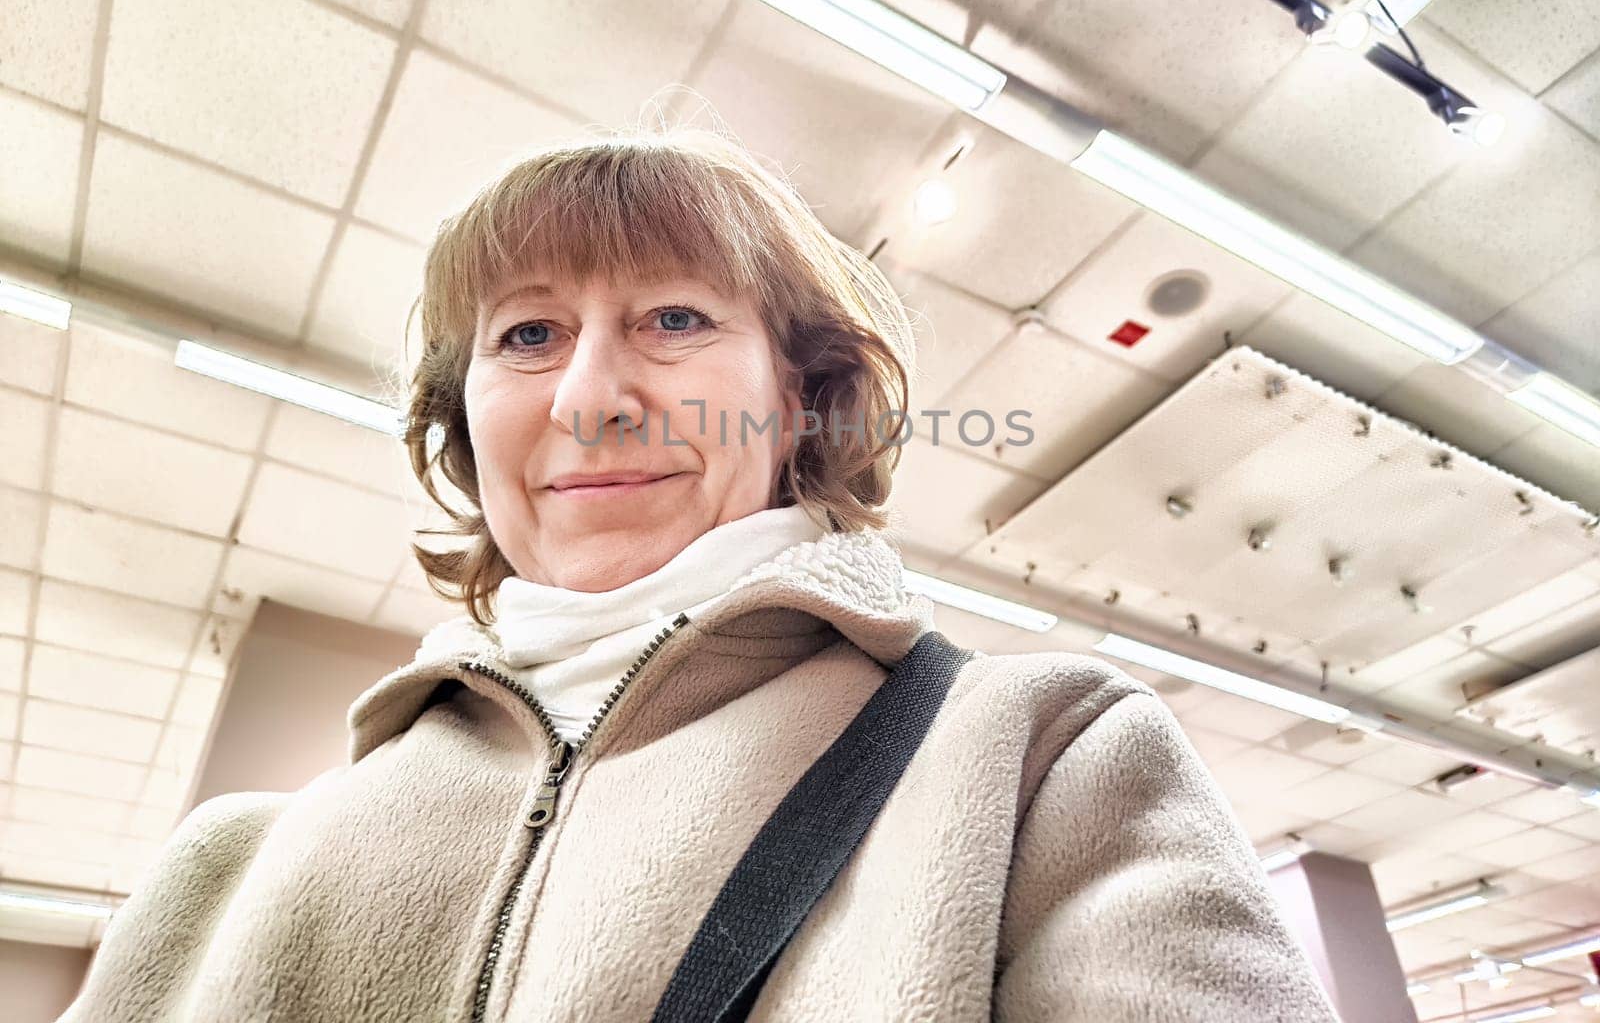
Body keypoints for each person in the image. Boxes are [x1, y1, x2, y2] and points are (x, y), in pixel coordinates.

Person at [63, 129, 1335, 1021]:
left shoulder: (1046, 760)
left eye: (674, 318)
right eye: (527, 334)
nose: (589, 396)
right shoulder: (220, 871)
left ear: (800, 402)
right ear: (466, 419)